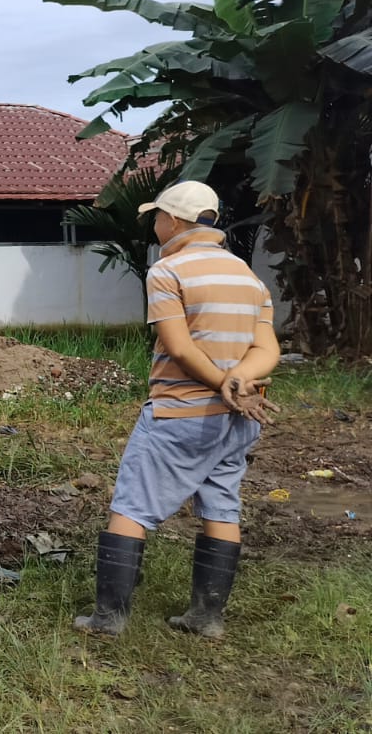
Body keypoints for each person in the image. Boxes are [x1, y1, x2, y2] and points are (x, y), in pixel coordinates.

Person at [75, 181, 279, 639]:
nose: (153, 224)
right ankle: (206, 617)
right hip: (239, 418)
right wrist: (240, 384)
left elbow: (180, 348)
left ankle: (108, 619)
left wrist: (221, 383)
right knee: (222, 507)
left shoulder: (168, 271)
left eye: (157, 217)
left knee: (130, 506)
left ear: (175, 221)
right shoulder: (248, 277)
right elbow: (268, 348)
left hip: (180, 414)